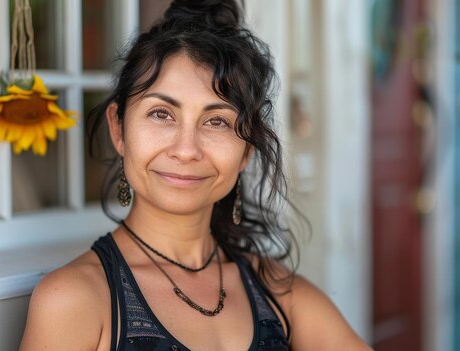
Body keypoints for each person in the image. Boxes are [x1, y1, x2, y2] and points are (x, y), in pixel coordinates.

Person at [20, 1, 373, 350]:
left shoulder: (280, 292)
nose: (186, 149)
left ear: (246, 150)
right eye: (161, 114)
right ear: (119, 128)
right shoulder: (75, 300)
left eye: (216, 121)